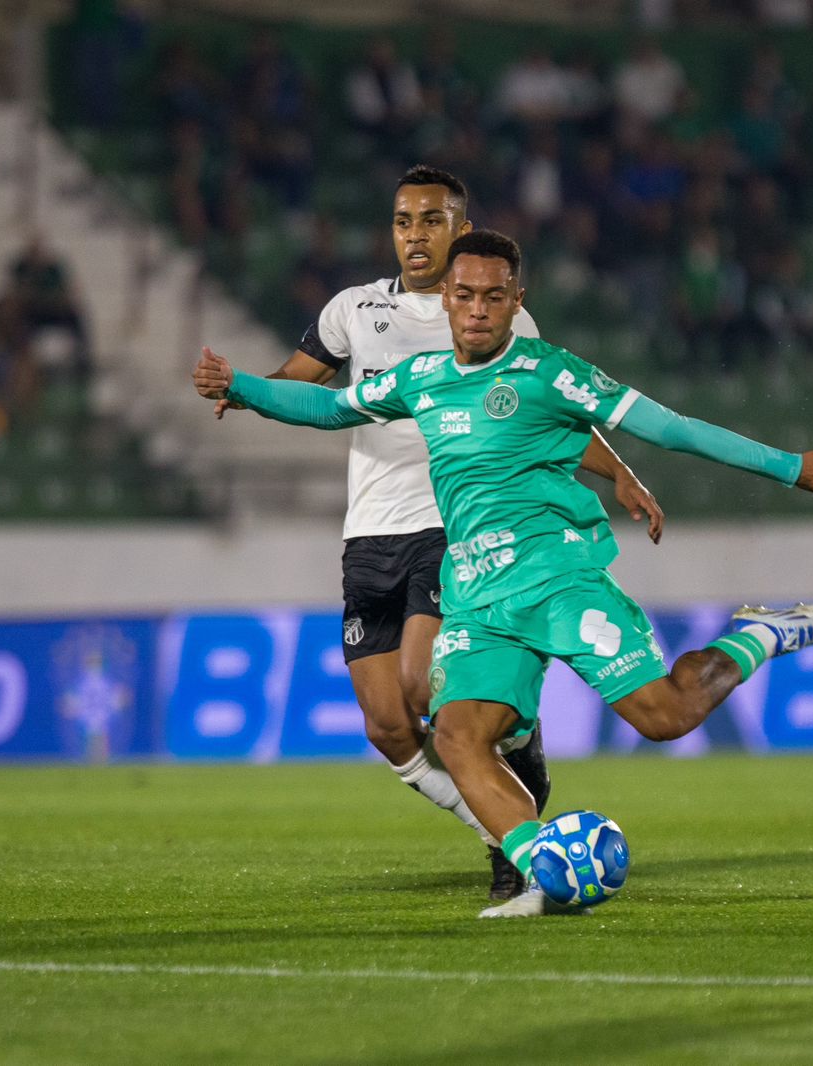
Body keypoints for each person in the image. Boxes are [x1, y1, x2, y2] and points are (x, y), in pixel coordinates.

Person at [196, 229, 813, 917]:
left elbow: (673, 428)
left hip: (558, 583)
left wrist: (791, 468)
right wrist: (242, 388)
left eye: (493, 297)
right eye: (464, 296)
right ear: (446, 302)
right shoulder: (420, 381)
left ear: (518, 301)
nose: (478, 310)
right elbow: (329, 408)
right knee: (457, 736)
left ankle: (760, 633)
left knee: (665, 717)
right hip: (477, 598)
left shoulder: (552, 373)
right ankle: (544, 871)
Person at [211, 166, 663, 902]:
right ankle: (506, 828)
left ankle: (515, 768)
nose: (414, 234)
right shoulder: (353, 310)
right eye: (401, 221)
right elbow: (303, 382)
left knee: (425, 685)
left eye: (430, 220)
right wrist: (245, 389)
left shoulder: (502, 317)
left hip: (455, 528)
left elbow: (556, 417)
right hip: (369, 535)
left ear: (459, 227)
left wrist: (617, 474)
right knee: (388, 725)